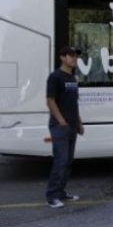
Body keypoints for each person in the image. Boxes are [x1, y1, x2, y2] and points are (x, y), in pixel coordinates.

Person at [46, 46, 84, 208]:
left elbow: (74, 103)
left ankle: (61, 192)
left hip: (72, 125)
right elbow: (50, 100)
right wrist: (61, 121)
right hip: (59, 126)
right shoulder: (55, 77)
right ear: (62, 57)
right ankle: (52, 196)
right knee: (60, 161)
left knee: (68, 161)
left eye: (76, 56)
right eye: (71, 55)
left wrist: (79, 123)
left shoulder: (72, 77)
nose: (75, 58)